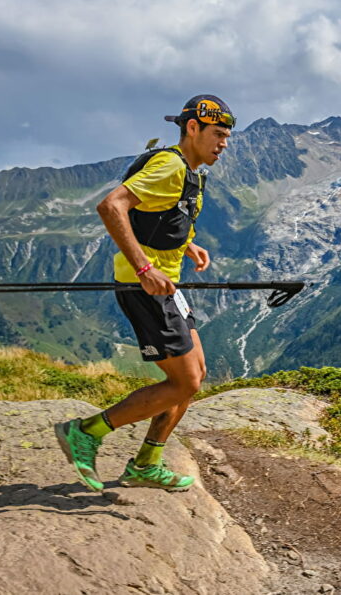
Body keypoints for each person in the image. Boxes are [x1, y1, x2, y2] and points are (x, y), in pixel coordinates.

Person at [54, 94, 234, 491]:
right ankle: (86, 431)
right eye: (218, 134)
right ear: (193, 128)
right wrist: (144, 267)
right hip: (146, 286)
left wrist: (186, 244)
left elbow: (157, 215)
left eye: (226, 136)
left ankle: (146, 464)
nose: (223, 143)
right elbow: (112, 206)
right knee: (183, 382)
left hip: (168, 284)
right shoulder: (170, 166)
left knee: (196, 375)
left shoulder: (191, 171)